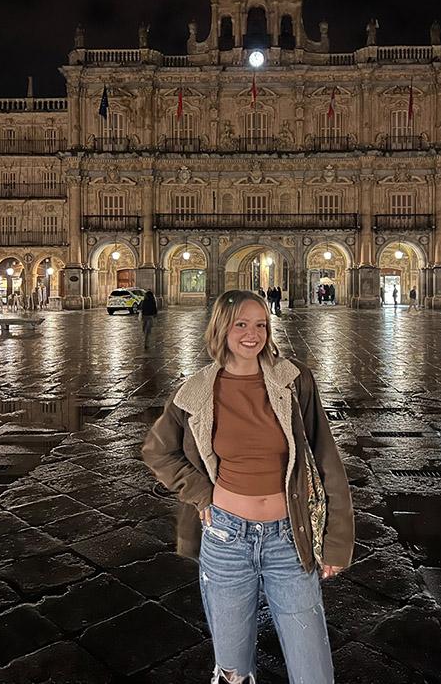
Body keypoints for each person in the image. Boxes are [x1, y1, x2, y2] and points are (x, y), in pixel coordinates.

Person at [141, 290, 354, 683]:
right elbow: (157, 451)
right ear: (222, 328)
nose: (252, 334)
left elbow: (326, 458)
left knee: (314, 669)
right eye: (241, 324)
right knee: (233, 668)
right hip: (225, 538)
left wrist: (338, 539)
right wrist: (201, 492)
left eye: (261, 324)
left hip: (291, 538)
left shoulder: (294, 380)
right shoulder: (196, 391)